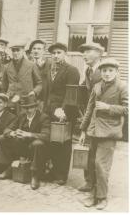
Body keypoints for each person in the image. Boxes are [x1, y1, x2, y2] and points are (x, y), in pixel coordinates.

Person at [79, 58, 127, 210]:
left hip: (109, 132)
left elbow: (127, 109)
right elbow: (89, 108)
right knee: (92, 163)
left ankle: (102, 198)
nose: (107, 74)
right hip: (93, 130)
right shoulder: (97, 86)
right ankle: (93, 195)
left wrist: (108, 107)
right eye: (104, 71)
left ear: (116, 71)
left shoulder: (122, 86)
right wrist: (83, 130)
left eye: (110, 70)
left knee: (101, 165)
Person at [0, 95, 50, 190]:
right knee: (2, 138)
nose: (28, 110)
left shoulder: (43, 117)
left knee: (38, 144)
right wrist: (13, 133)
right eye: (26, 108)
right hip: (22, 147)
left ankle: (35, 175)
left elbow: (46, 136)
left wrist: (28, 134)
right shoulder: (22, 116)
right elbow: (7, 129)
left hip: (37, 150)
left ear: (36, 107)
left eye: (31, 108)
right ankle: (9, 168)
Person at [44, 43, 80, 185]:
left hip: (65, 111)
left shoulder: (72, 70)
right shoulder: (49, 69)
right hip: (50, 110)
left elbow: (71, 94)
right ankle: (53, 171)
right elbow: (48, 91)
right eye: (53, 53)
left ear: (65, 53)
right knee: (52, 141)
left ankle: (61, 174)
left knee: (64, 143)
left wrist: (63, 110)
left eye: (59, 52)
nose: (56, 55)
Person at [78, 42, 104, 192]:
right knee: (88, 149)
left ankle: (97, 184)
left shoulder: (103, 72)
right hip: (89, 114)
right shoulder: (88, 71)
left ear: (98, 53)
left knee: (97, 153)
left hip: (100, 117)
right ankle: (89, 181)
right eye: (83, 52)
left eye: (88, 51)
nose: (84, 55)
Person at [2, 43, 42, 114]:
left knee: (25, 122)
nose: (15, 53)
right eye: (13, 51)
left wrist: (34, 92)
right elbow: (4, 86)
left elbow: (39, 84)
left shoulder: (31, 65)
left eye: (18, 50)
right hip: (11, 101)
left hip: (27, 100)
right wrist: (7, 95)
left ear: (23, 51)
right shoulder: (7, 67)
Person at [28, 39, 51, 108]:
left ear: (44, 51)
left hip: (44, 99)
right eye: (34, 48)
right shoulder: (27, 64)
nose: (36, 51)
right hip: (30, 97)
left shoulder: (50, 64)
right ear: (31, 51)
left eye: (39, 49)